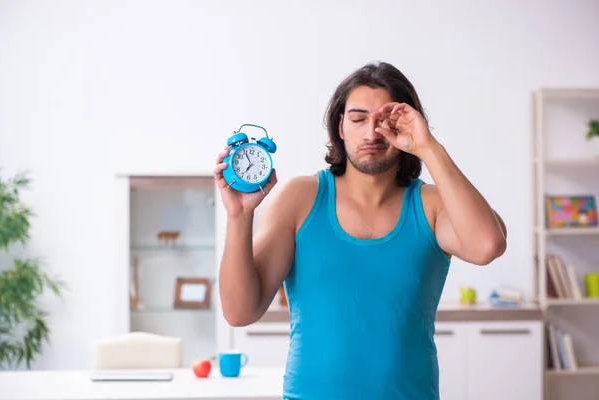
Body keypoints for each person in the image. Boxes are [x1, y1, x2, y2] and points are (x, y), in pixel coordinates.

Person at [215, 61, 507, 400]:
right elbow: (239, 311)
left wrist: (428, 147)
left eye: (384, 121)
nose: (371, 134)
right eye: (358, 119)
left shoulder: (431, 205)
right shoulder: (300, 197)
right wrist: (238, 216)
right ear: (340, 126)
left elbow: (488, 245)